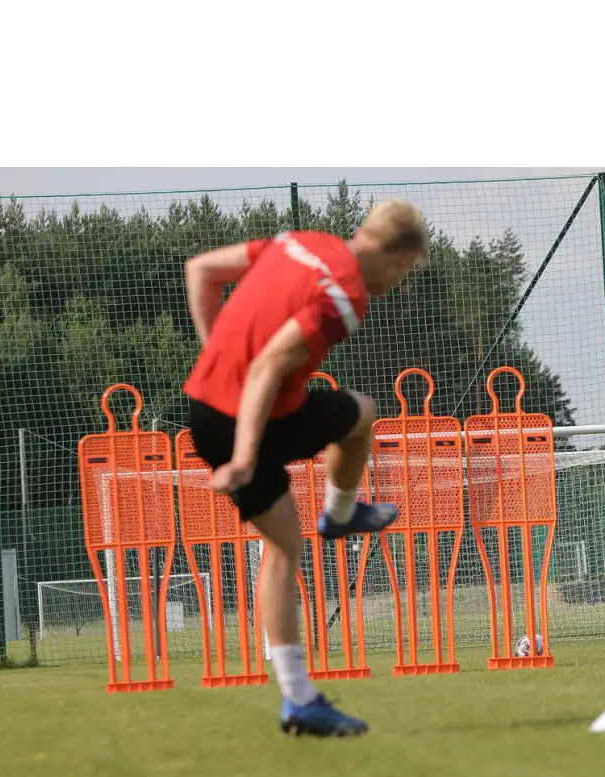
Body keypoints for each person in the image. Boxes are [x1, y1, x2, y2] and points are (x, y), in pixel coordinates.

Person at [181, 200, 430, 736]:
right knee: (362, 413)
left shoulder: (300, 241)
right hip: (251, 423)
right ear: (402, 258)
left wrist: (217, 357)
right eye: (407, 271)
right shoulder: (347, 295)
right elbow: (270, 363)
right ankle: (339, 513)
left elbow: (199, 270)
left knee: (283, 548)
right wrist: (247, 455)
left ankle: (299, 699)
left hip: (204, 411)